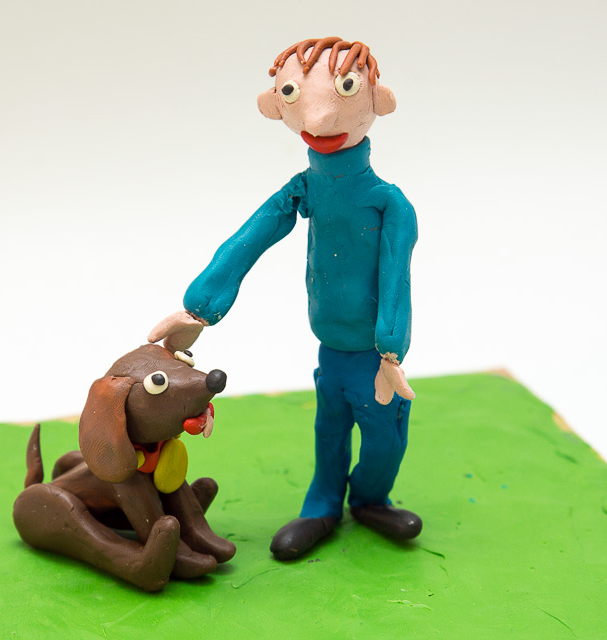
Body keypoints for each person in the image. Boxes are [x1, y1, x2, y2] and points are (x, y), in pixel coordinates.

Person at [149, 37, 420, 560]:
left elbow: (396, 277)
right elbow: (252, 237)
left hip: (376, 358)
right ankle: (323, 505)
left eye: (345, 89)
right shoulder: (305, 189)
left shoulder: (390, 204)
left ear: (377, 100)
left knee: (383, 437)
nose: (318, 118)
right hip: (330, 351)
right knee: (329, 429)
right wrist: (199, 308)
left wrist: (391, 352)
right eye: (294, 94)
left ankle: (370, 499)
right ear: (277, 105)